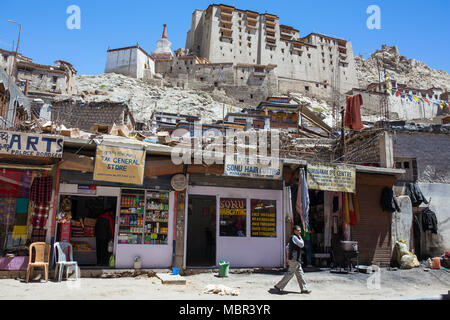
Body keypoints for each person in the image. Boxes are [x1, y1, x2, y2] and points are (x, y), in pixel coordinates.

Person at [273, 225, 311, 294]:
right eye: (298, 230)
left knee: (300, 274)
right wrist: (301, 238)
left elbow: (287, 248)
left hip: (295, 259)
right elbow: (302, 244)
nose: (300, 231)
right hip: (294, 259)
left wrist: (287, 258)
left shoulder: (292, 238)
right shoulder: (295, 237)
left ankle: (304, 289)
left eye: (300, 230)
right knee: (290, 274)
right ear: (294, 231)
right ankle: (278, 286)